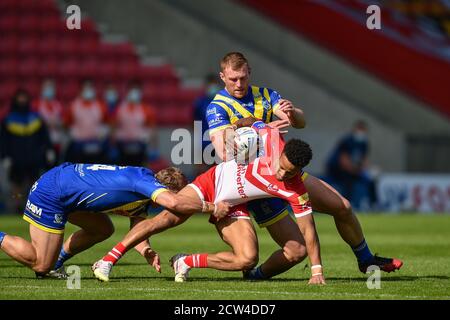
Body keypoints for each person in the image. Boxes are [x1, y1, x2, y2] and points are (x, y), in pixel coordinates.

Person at [206, 52, 402, 277]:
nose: (239, 84)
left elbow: (298, 121)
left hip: (284, 172)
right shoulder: (217, 107)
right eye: (233, 79)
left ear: (249, 71)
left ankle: (366, 260)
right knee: (296, 251)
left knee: (343, 207)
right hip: (255, 185)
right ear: (223, 77)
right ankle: (254, 275)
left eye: (242, 77)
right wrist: (254, 127)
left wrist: (292, 112)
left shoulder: (265, 95)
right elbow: (223, 151)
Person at [92, 120, 324, 284]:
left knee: (247, 259)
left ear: (300, 171)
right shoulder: (270, 137)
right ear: (281, 152)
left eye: (290, 173)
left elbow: (309, 229)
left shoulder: (296, 190)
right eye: (281, 168)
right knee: (166, 217)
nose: (282, 175)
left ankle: (186, 261)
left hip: (234, 204)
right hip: (212, 182)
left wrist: (316, 271)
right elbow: (252, 120)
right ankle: (107, 260)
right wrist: (234, 129)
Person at [0, 163, 230, 278]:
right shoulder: (144, 183)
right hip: (53, 192)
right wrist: (210, 207)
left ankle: (58, 261)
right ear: (165, 189)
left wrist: (146, 250)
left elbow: (138, 228)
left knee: (103, 228)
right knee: (40, 264)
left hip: (65, 185)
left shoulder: (143, 192)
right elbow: (175, 203)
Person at [0, 89, 54, 214]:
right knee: (17, 186)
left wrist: (49, 150)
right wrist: (4, 156)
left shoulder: (35, 118)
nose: (22, 101)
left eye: (24, 98)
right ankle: (17, 207)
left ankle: (34, 207)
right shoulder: (9, 120)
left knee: (34, 184)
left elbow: (44, 136)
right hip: (16, 158)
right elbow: (4, 140)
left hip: (33, 157)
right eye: (20, 98)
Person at [326, 120, 377, 210]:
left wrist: (367, 170)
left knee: (371, 181)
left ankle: (373, 204)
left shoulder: (364, 143)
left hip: (354, 169)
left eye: (364, 130)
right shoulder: (347, 141)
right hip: (337, 169)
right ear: (355, 129)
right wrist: (356, 171)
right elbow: (343, 162)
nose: (362, 132)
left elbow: (364, 160)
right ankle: (347, 205)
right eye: (360, 129)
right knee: (348, 180)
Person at [112, 81, 158, 167]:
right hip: (123, 146)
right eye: (132, 90)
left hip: (140, 147)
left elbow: (152, 129)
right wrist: (113, 145)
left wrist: (153, 147)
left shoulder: (146, 109)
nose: (134, 93)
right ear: (127, 92)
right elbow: (114, 127)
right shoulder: (120, 108)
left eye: (136, 90)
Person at [64, 80, 109, 164]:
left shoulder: (100, 106)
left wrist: (104, 133)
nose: (88, 90)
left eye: (90, 88)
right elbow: (66, 124)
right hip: (79, 143)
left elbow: (106, 123)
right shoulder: (73, 106)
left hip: (96, 142)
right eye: (86, 88)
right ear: (81, 90)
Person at [35, 78, 64, 161]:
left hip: (56, 140)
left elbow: (63, 121)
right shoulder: (37, 104)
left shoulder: (58, 105)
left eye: (51, 87)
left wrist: (58, 123)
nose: (49, 89)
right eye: (47, 87)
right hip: (41, 142)